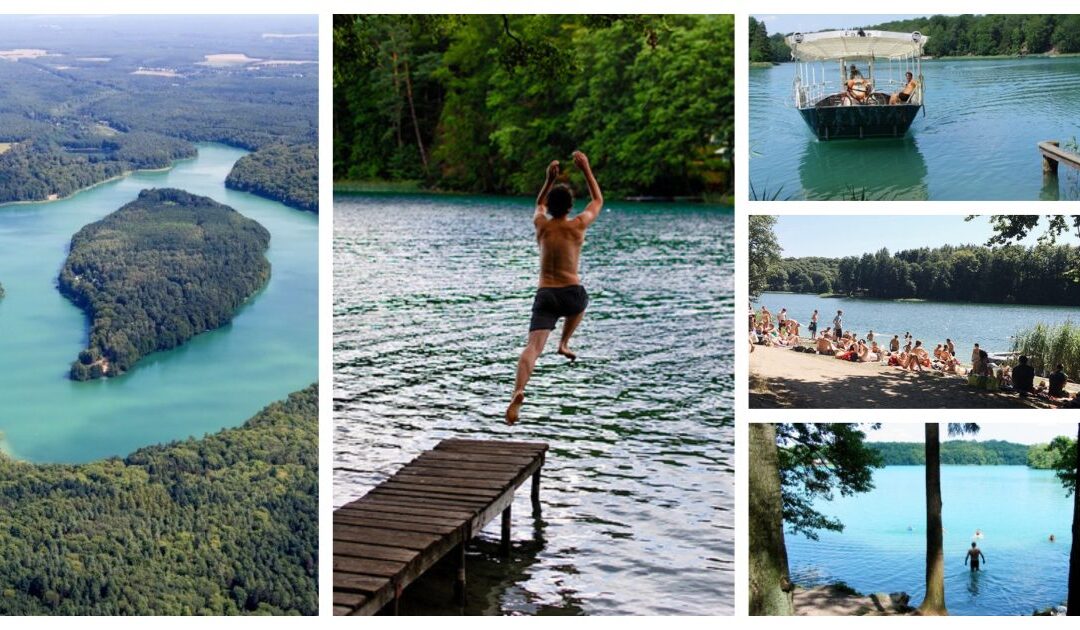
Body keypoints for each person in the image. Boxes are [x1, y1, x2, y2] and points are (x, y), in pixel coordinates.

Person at [506, 151, 602, 425]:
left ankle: (518, 390)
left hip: (545, 294)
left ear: (549, 205)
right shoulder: (577, 225)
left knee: (532, 348)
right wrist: (586, 168)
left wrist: (548, 180)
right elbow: (597, 200)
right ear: (570, 207)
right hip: (571, 293)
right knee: (582, 301)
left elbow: (538, 204)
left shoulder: (541, 225)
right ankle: (564, 342)